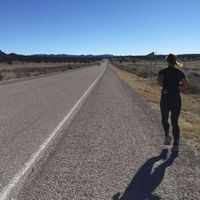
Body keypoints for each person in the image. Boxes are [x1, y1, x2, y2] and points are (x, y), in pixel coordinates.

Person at [157, 54, 189, 152]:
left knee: (164, 119)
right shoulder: (179, 72)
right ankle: (176, 144)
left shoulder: (162, 72)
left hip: (165, 98)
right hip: (176, 99)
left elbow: (159, 84)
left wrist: (166, 83)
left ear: (167, 61)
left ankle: (167, 135)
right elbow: (186, 85)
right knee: (175, 121)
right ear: (175, 62)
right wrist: (177, 86)